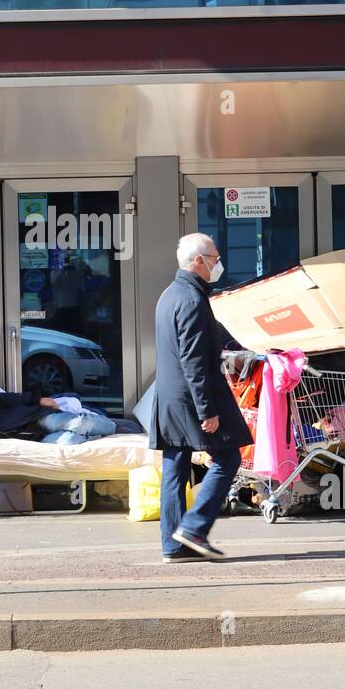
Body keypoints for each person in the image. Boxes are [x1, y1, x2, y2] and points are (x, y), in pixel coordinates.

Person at [150, 234, 251, 562]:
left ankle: (173, 545)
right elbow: (192, 360)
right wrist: (206, 408)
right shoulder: (192, 300)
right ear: (198, 261)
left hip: (168, 397)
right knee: (228, 458)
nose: (217, 263)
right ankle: (193, 527)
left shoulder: (169, 295)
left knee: (175, 467)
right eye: (214, 257)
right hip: (192, 397)